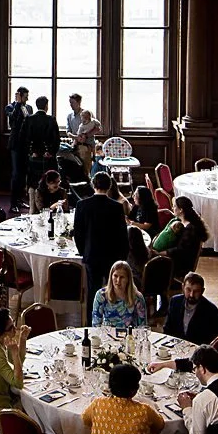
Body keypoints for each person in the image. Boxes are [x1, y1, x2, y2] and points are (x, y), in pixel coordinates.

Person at [75, 174, 130, 312]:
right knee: (113, 290)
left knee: (93, 292)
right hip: (112, 255)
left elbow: (78, 234)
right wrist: (122, 257)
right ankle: (112, 318)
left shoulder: (82, 205)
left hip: (91, 255)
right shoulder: (116, 207)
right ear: (109, 186)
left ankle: (91, 321)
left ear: (93, 185)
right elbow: (122, 235)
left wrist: (83, 252)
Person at [163, 271, 218, 344]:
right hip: (175, 347)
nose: (191, 295)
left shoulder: (211, 311)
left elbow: (213, 342)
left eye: (196, 291)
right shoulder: (175, 302)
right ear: (183, 287)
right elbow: (167, 329)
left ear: (202, 291)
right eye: (188, 290)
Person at [152, 196, 208, 279]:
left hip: (180, 264)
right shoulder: (180, 222)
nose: (172, 208)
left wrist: (160, 253)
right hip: (176, 257)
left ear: (181, 210)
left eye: (174, 206)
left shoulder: (190, 229)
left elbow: (180, 250)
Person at [24, 95, 65, 200]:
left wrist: (31, 151)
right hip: (48, 156)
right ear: (46, 106)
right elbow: (56, 139)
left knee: (33, 180)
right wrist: (51, 152)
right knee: (50, 178)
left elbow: (24, 138)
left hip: (34, 156)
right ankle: (50, 200)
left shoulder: (29, 119)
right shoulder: (51, 119)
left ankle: (33, 203)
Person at [91, 259, 149, 330]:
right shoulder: (101, 295)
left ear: (128, 279)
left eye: (122, 277)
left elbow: (142, 327)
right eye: (115, 276)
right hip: (108, 334)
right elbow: (96, 325)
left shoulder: (137, 297)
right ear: (111, 277)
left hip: (130, 335)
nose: (118, 281)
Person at [5, 86, 33, 203]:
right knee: (16, 173)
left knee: (23, 173)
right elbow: (13, 120)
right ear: (19, 96)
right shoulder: (10, 107)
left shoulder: (29, 108)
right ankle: (13, 202)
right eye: (25, 97)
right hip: (16, 144)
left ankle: (20, 199)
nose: (27, 99)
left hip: (26, 144)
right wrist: (17, 104)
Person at [74, 107, 101, 177]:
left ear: (88, 117)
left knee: (93, 145)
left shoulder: (93, 121)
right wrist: (80, 136)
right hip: (84, 138)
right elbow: (79, 133)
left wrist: (97, 127)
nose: (82, 119)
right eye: (82, 118)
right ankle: (74, 147)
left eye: (83, 117)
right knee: (84, 147)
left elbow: (98, 125)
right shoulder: (82, 125)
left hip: (91, 137)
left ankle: (94, 155)